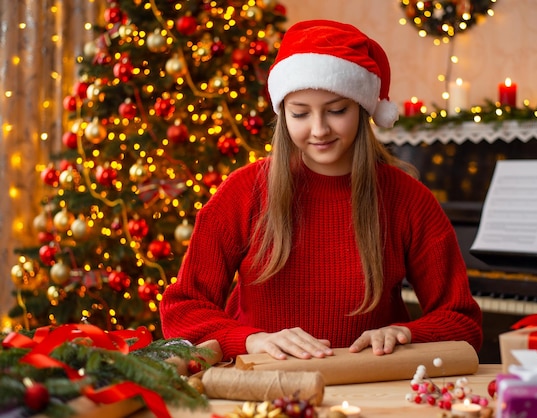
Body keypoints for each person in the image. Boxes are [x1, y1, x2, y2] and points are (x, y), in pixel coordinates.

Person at [160, 19, 482, 362]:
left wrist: (407, 333)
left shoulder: (408, 198)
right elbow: (181, 311)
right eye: (300, 114)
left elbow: (462, 321)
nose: (319, 130)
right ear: (283, 115)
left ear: (362, 107)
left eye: (337, 110)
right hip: (261, 391)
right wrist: (249, 340)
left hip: (370, 392)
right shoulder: (242, 193)